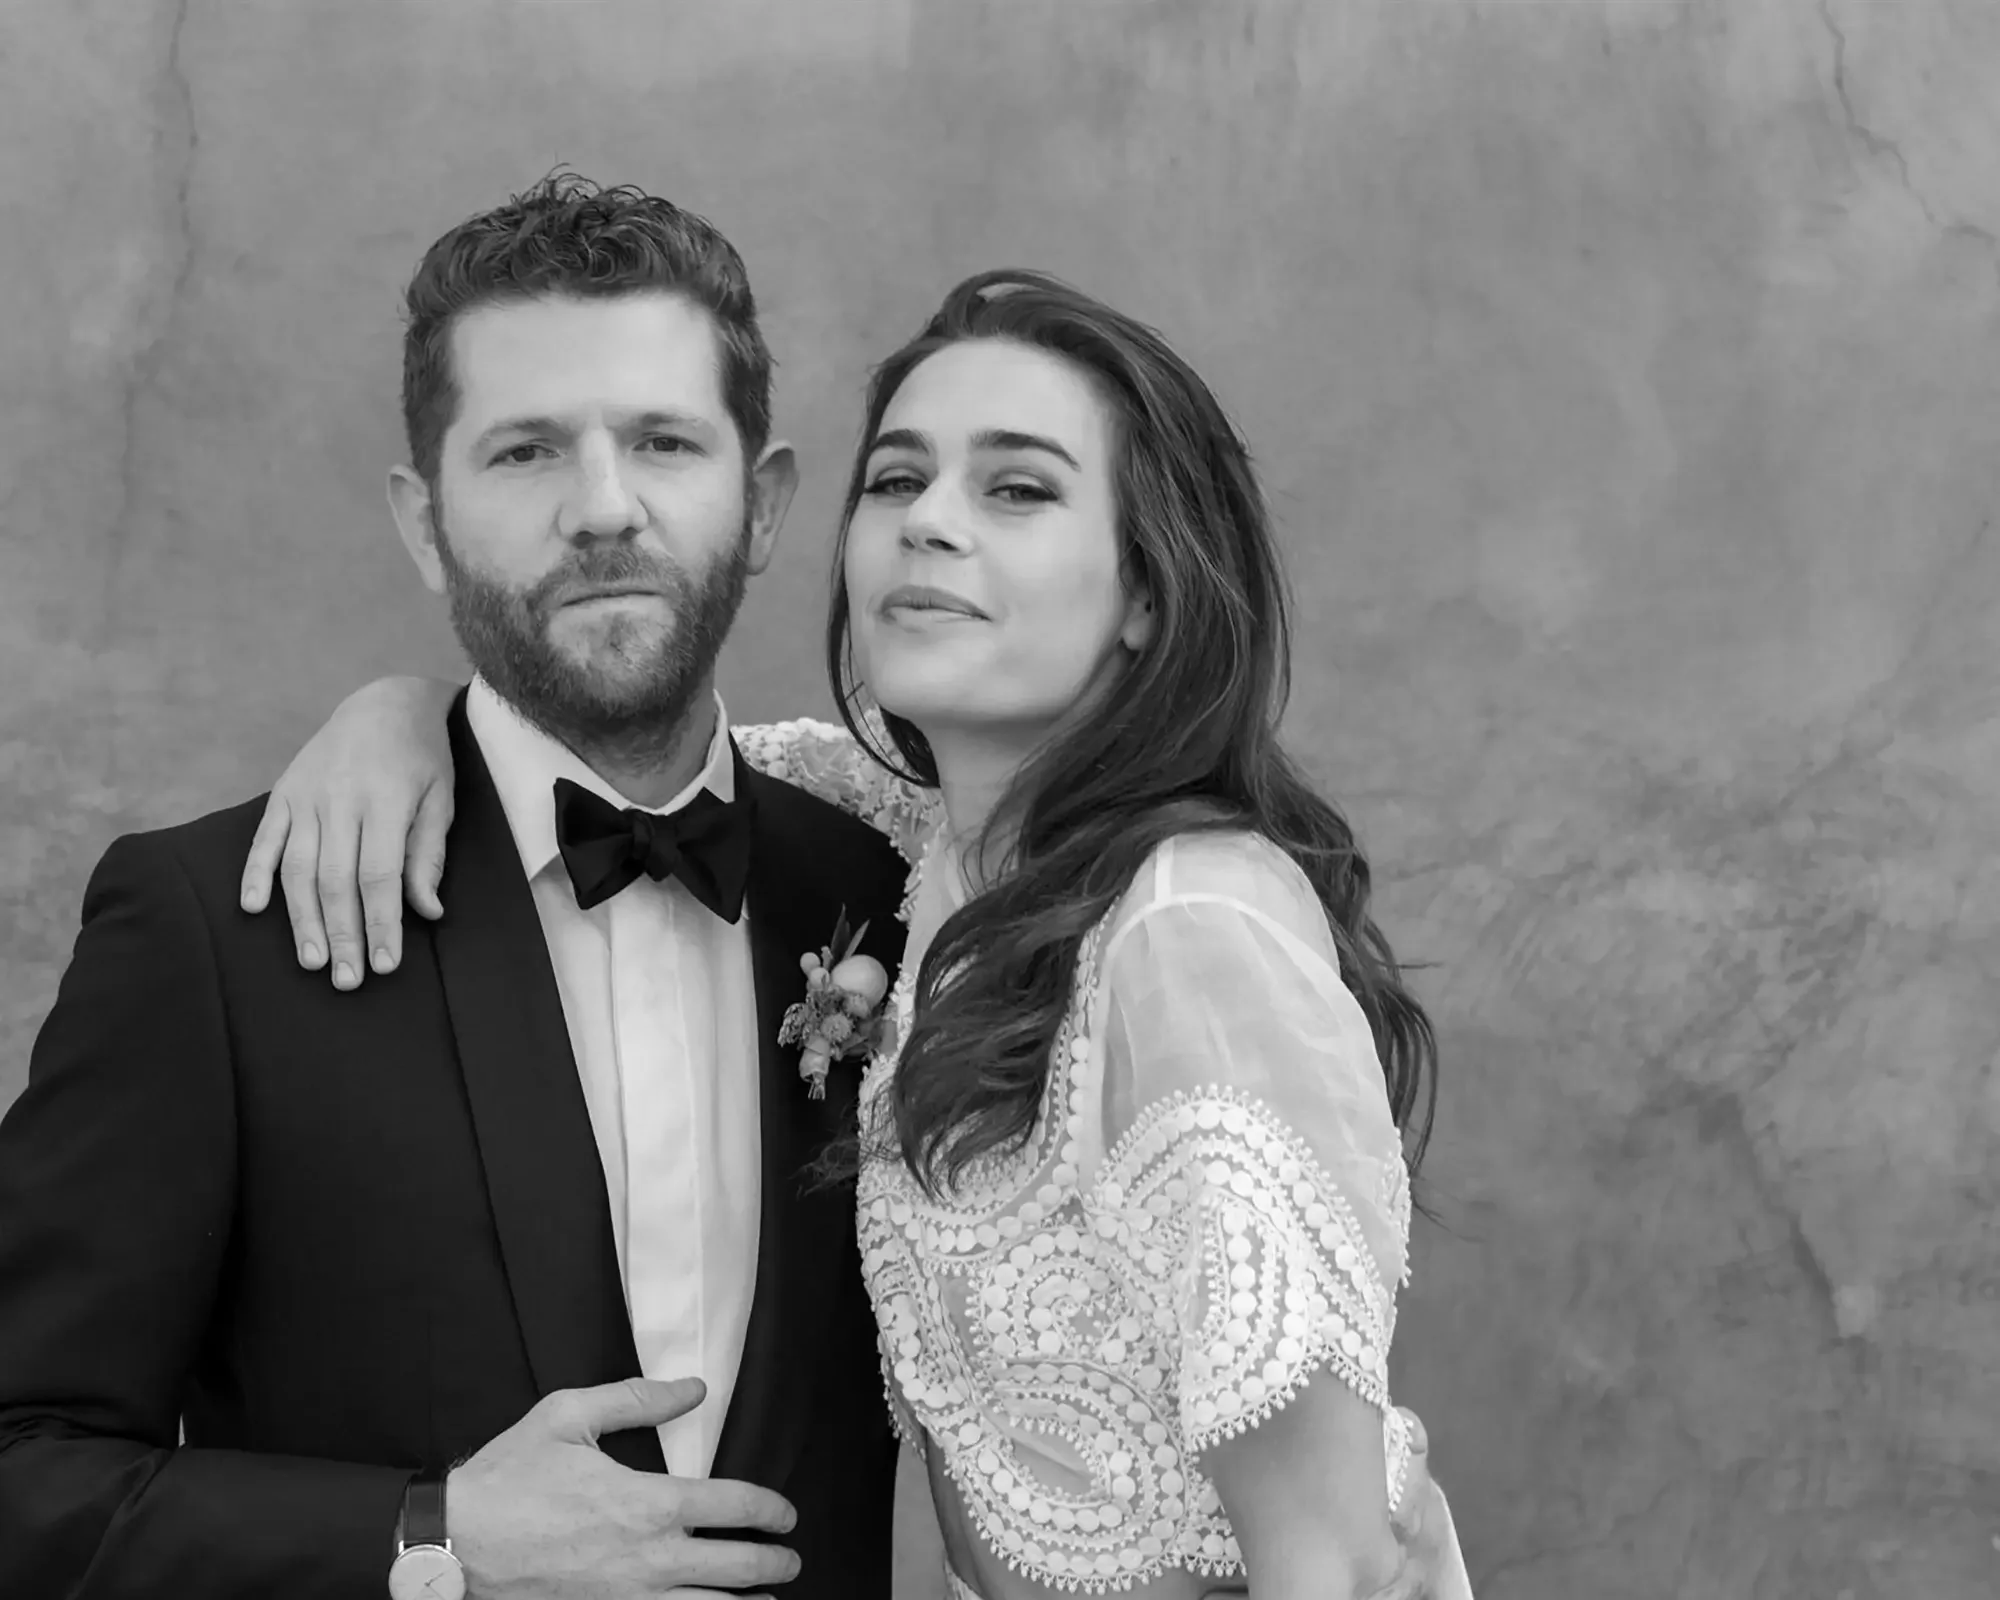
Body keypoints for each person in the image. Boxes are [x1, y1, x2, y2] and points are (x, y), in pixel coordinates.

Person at [244, 255, 1476, 1597]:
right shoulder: (913, 842)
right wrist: (401, 714)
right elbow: (606, 767)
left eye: (1017, 488)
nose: (928, 525)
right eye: (897, 480)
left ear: (1144, 591)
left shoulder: (1188, 933)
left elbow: (1339, 1568)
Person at [0, 175, 912, 1600]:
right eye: (527, 453)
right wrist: (424, 1541)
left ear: (767, 500)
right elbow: (23, 1465)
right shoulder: (215, 933)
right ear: (427, 527)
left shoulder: (890, 894)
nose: (603, 509)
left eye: (664, 442)